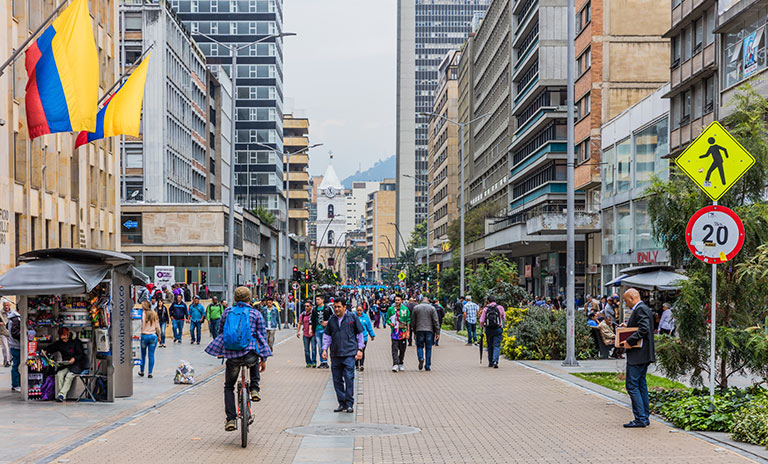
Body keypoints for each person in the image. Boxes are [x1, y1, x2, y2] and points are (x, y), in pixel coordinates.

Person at [205, 286, 272, 432]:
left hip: (232, 355)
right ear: (249, 299)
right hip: (249, 355)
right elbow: (262, 336)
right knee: (253, 355)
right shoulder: (255, 313)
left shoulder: (228, 312)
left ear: (235, 298)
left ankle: (230, 419)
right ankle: (254, 389)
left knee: (229, 386)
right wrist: (264, 358)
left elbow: (221, 332)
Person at [321, 298, 364, 413]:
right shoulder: (332, 319)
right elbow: (327, 336)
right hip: (335, 354)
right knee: (337, 380)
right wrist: (324, 349)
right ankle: (342, 403)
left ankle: (349, 404)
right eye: (335, 307)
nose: (336, 309)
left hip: (349, 353)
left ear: (345, 307)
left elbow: (360, 334)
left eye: (339, 307)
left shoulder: (352, 318)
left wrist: (360, 349)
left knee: (349, 378)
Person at [620, 288, 655, 428]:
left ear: (632, 298)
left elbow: (644, 328)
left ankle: (640, 418)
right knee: (641, 385)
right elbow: (641, 327)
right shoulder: (643, 309)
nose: (625, 303)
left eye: (625, 300)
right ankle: (644, 417)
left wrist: (629, 341)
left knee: (632, 385)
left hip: (638, 355)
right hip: (643, 354)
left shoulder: (640, 309)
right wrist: (628, 326)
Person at [43, 327, 87, 402]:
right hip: (66, 364)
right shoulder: (60, 343)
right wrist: (46, 350)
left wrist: (74, 358)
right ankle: (61, 396)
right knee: (59, 374)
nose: (64, 340)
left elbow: (81, 354)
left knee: (69, 376)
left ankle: (61, 395)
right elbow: (53, 347)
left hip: (77, 365)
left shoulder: (76, 342)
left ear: (68, 335)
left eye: (65, 338)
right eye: (62, 338)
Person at [411, 297, 440, 371]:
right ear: (428, 301)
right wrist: (437, 332)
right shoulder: (432, 308)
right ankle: (427, 365)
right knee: (428, 348)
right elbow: (436, 321)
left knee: (419, 346)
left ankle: (421, 358)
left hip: (419, 329)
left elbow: (413, 321)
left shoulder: (416, 308)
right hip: (429, 330)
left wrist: (414, 331)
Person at [479, 296, 506, 369]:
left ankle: (490, 362)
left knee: (490, 346)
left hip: (488, 329)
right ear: (495, 300)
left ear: (488, 301)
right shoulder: (500, 307)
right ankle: (495, 361)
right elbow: (503, 318)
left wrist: (482, 326)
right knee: (497, 345)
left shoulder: (486, 309)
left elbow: (481, 321)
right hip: (498, 328)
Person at [386, 295, 410, 372]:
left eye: (398, 300)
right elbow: (387, 319)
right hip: (394, 332)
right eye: (396, 300)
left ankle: (401, 362)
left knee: (402, 349)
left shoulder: (405, 309)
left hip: (403, 332)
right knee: (394, 348)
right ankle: (395, 364)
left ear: (401, 301)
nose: (397, 301)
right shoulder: (391, 309)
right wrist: (390, 323)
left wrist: (408, 331)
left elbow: (408, 320)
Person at [139, 301, 161, 378]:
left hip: (144, 336)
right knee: (151, 355)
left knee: (143, 355)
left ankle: (142, 371)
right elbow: (157, 327)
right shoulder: (154, 314)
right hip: (153, 336)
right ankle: (150, 372)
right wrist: (159, 336)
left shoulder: (142, 314)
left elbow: (140, 326)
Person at [313, 295, 332, 369]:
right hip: (317, 329)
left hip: (325, 330)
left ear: (322, 300)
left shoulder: (327, 308)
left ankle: (325, 362)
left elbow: (333, 317)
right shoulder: (315, 309)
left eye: (318, 299)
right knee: (320, 347)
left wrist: (327, 322)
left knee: (325, 346)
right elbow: (312, 318)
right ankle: (322, 361)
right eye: (316, 299)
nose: (317, 301)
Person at [355, 305, 375, 371]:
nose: (359, 312)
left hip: (364, 337)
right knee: (355, 351)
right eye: (358, 310)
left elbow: (369, 327)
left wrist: (372, 335)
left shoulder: (365, 317)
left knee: (362, 351)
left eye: (360, 310)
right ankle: (356, 364)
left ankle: (361, 364)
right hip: (355, 337)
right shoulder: (353, 317)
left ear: (362, 310)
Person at [7, 301, 21, 391]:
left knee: (17, 364)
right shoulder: (15, 319)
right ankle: (15, 384)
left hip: (14, 345)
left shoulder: (13, 318)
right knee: (16, 365)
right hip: (16, 346)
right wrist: (25, 335)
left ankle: (17, 383)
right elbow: (15, 333)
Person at [297, 301, 316, 367]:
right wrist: (298, 331)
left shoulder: (313, 314)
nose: (306, 307)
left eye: (308, 306)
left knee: (313, 348)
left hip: (313, 333)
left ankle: (314, 362)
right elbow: (299, 323)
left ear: (311, 306)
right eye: (305, 306)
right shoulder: (303, 314)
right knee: (306, 349)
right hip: (305, 334)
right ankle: (308, 362)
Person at [0, 300, 11, 367]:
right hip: (3, 332)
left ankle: (8, 360)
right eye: (5, 305)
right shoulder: (0, 313)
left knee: (10, 348)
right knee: (5, 347)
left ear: (10, 305)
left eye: (7, 305)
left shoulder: (13, 312)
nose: (6, 307)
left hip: (11, 332)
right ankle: (7, 361)